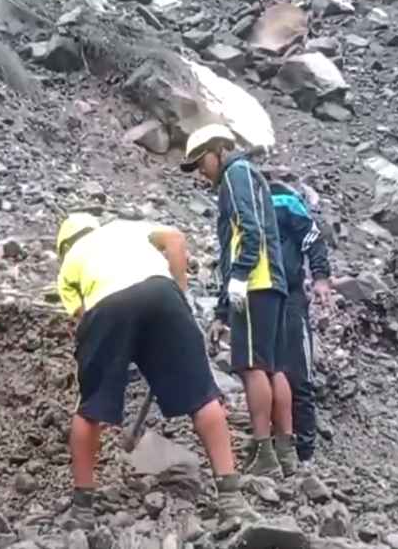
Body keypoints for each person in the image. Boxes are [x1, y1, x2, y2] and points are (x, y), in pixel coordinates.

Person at [54, 213, 258, 529]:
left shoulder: (69, 264)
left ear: (65, 245)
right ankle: (232, 500)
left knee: (90, 409)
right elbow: (176, 240)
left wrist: (114, 356)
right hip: (162, 294)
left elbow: (84, 320)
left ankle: (82, 510)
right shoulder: (125, 226)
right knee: (204, 397)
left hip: (106, 308)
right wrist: (179, 293)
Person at [180, 124, 300, 479]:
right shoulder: (247, 175)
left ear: (219, 150)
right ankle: (284, 450)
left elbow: (250, 231)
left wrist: (241, 277)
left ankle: (264, 450)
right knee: (273, 366)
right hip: (270, 283)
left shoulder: (237, 174)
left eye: (202, 162)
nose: (202, 172)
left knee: (252, 367)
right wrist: (220, 310)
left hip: (256, 284)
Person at [269, 180, 332, 468]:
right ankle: (278, 442)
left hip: (290, 296)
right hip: (259, 299)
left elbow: (313, 238)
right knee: (268, 372)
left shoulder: (282, 199)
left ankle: (305, 453)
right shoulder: (238, 204)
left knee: (298, 373)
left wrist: (320, 278)